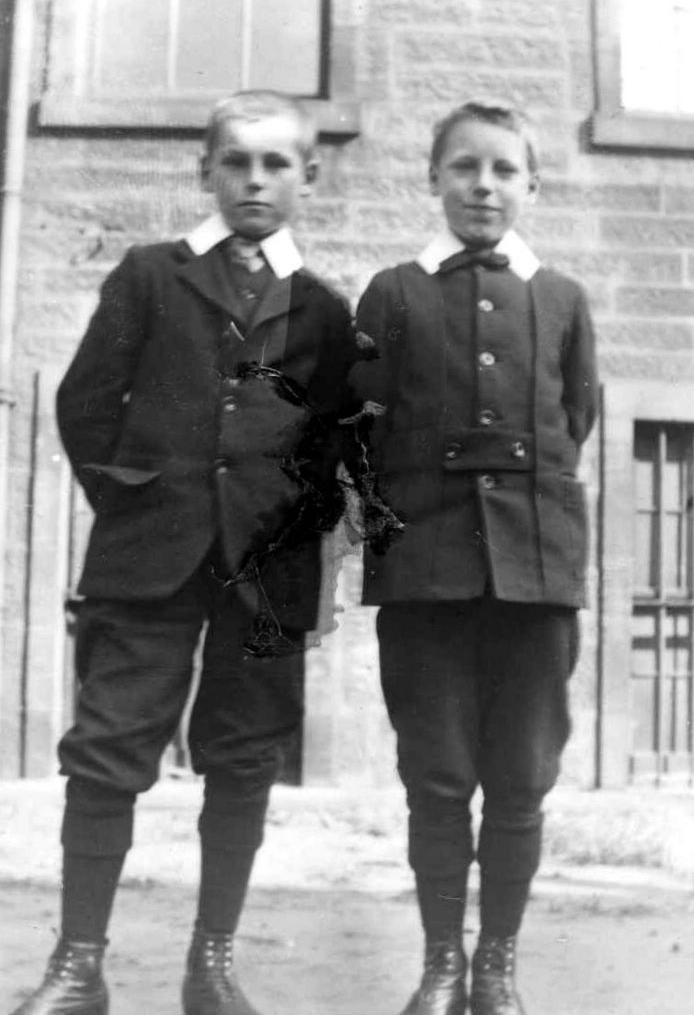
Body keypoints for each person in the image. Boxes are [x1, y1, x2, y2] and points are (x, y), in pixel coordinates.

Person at [11, 90, 359, 1015]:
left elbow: (330, 454)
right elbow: (86, 405)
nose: (254, 180)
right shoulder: (150, 276)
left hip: (264, 575)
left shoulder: (325, 310)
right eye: (235, 162)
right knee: (106, 750)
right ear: (203, 171)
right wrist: (136, 506)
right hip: (147, 557)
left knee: (243, 760)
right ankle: (78, 963)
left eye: (276, 163)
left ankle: (212, 965)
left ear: (308, 177)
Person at [349, 101, 598, 1015]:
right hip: (427, 576)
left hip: (535, 577)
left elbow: (575, 416)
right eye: (464, 168)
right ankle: (440, 964)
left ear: (532, 184)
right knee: (439, 776)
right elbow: (362, 426)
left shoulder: (562, 299)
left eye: (503, 170)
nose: (483, 186)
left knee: (522, 779)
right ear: (433, 180)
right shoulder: (393, 293)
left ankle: (496, 963)